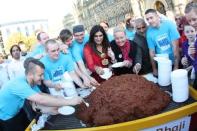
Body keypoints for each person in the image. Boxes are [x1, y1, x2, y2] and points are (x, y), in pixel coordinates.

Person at [0, 57, 82, 131]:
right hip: (6, 118)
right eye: (40, 75)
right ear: (31, 74)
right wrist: (71, 101)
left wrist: (57, 98)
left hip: (18, 111)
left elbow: (41, 94)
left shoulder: (30, 81)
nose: (43, 78)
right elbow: (40, 99)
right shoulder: (19, 84)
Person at [145, 9, 180, 76]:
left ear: (157, 16)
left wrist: (176, 67)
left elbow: (175, 47)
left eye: (151, 18)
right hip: (162, 65)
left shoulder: (169, 24)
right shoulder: (149, 32)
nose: (149, 21)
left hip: (175, 61)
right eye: (147, 19)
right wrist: (154, 69)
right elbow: (152, 52)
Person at [182, 25, 197, 89]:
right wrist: (183, 60)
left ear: (196, 32)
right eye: (187, 32)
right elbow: (185, 56)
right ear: (184, 33)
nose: (190, 34)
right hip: (190, 69)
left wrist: (192, 66)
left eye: (192, 31)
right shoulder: (184, 44)